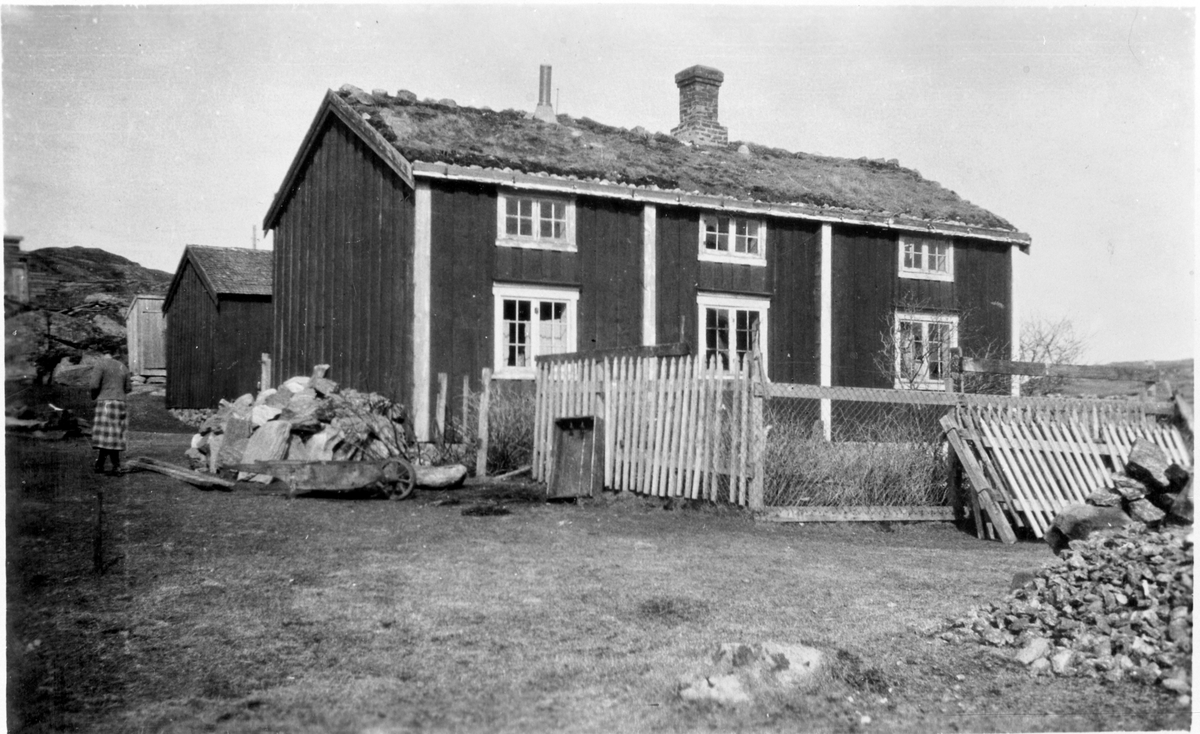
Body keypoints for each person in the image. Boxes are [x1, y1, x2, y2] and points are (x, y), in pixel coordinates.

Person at [89, 351, 132, 474]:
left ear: (101, 353)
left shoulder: (100, 364)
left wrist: (94, 396)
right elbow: (128, 388)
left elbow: (94, 385)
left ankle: (112, 465)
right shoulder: (122, 366)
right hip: (120, 403)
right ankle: (105, 464)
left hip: (105, 402)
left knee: (105, 436)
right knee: (114, 435)